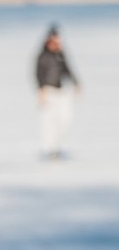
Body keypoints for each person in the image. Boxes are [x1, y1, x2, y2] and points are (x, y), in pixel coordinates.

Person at [35, 25, 81, 160]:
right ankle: (49, 149)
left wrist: (76, 83)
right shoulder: (43, 56)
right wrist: (41, 90)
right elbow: (38, 74)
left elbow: (68, 69)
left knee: (65, 119)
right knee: (48, 121)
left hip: (61, 92)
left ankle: (57, 146)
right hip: (48, 91)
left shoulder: (60, 54)